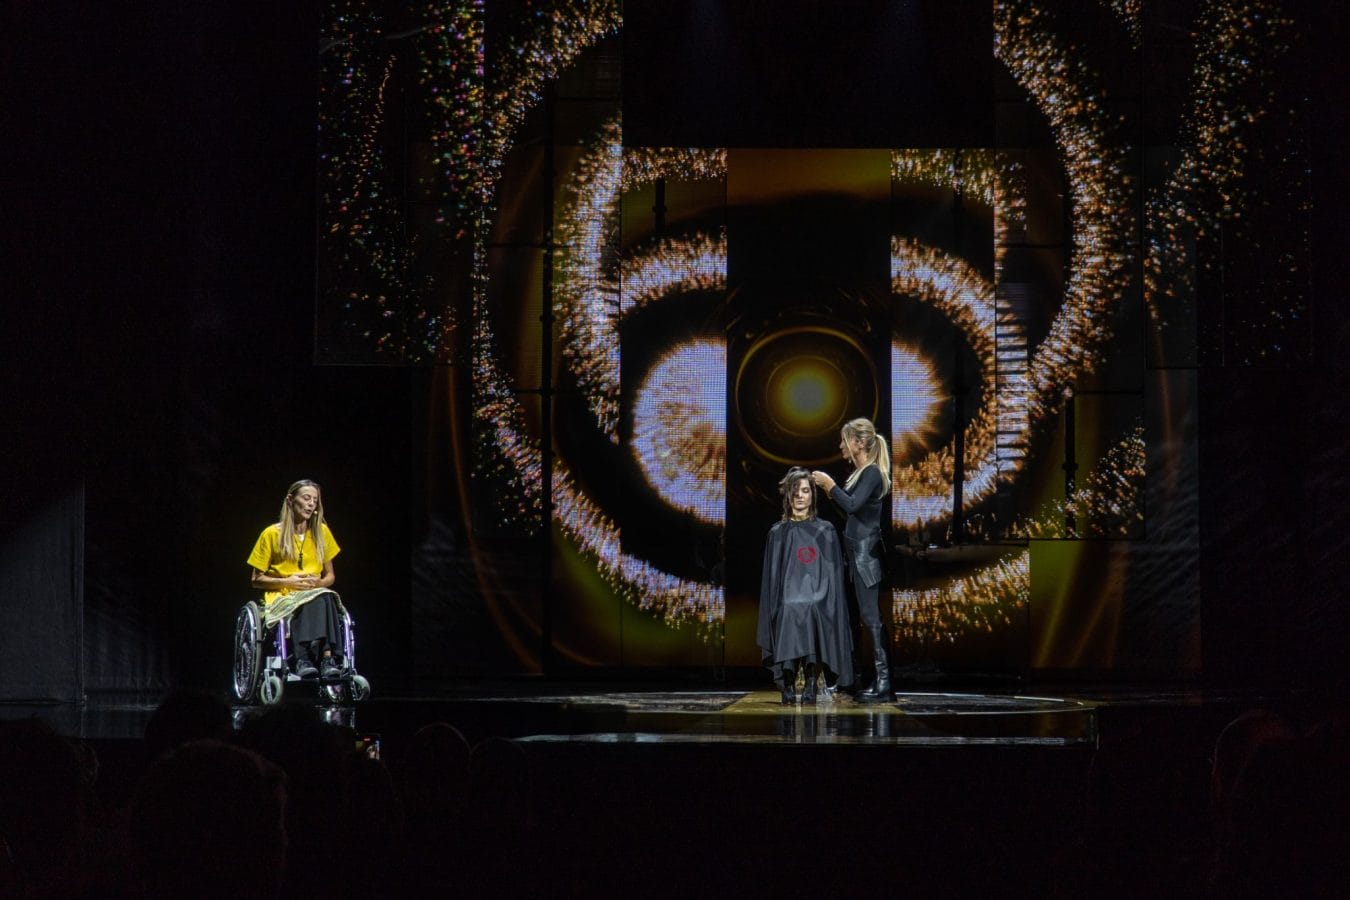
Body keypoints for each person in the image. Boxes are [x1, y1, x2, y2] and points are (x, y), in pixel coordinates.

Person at [757, 467, 854, 705]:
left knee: (812, 608)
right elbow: (773, 580)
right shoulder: (777, 533)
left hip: (818, 596)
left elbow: (832, 576)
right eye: (795, 491)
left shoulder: (825, 530)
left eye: (805, 490)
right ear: (787, 496)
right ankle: (788, 680)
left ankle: (811, 680)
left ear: (813, 495)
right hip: (787, 597)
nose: (800, 496)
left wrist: (821, 596)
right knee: (789, 608)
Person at [812, 417, 893, 703]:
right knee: (857, 619)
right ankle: (854, 679)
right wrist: (833, 492)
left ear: (858, 443)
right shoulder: (860, 474)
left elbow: (852, 504)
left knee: (871, 619)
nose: (841, 446)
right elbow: (851, 511)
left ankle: (884, 683)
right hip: (854, 556)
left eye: (845, 441)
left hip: (864, 557)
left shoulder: (871, 473)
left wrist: (830, 485)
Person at [247, 479, 347, 679]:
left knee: (325, 595)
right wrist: (289, 581)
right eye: (307, 498)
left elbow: (330, 576)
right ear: (291, 500)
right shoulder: (271, 534)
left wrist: (318, 583)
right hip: (283, 594)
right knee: (315, 598)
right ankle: (303, 658)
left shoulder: (322, 533)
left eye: (315, 500)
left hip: (314, 591)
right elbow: (256, 579)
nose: (311, 504)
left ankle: (327, 659)